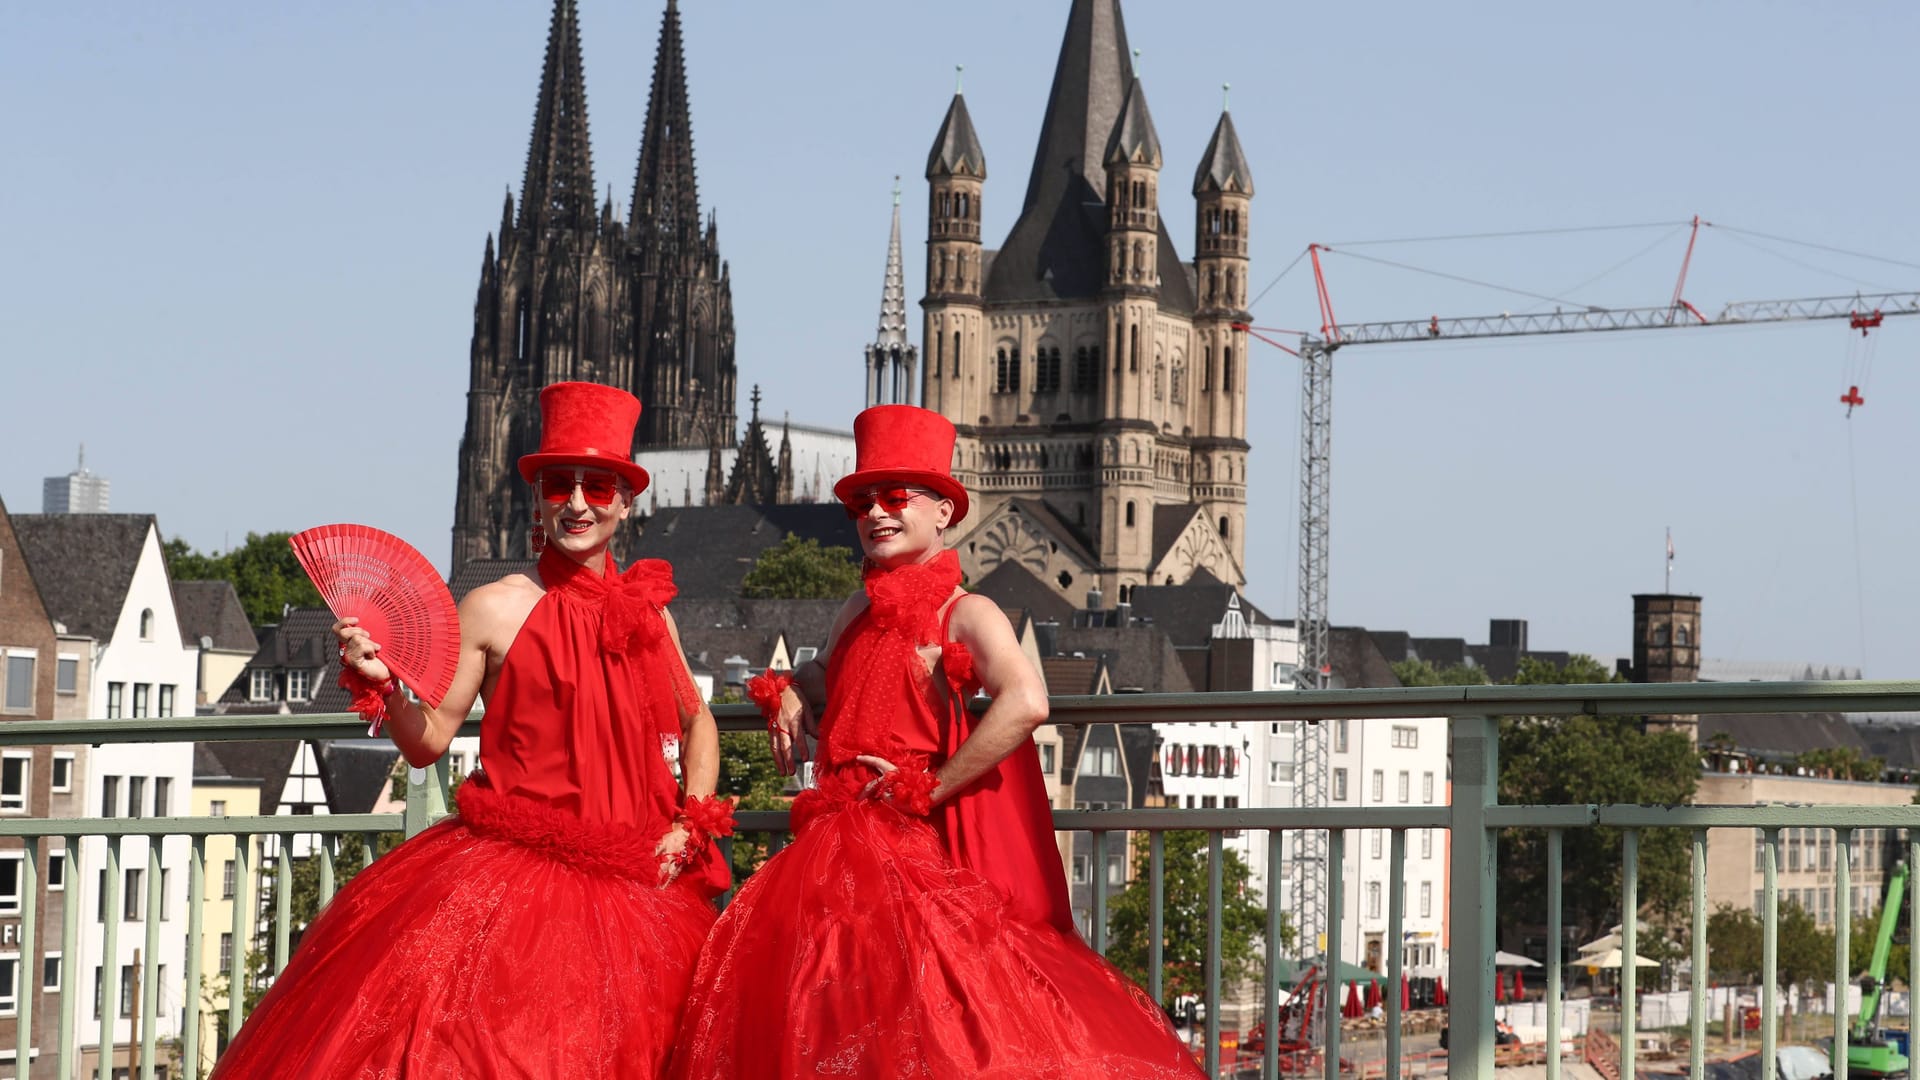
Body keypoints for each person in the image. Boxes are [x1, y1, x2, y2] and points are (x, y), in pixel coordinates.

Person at [213, 382, 731, 1079]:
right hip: (518, 884)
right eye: (558, 484)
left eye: (597, 486)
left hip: (641, 878)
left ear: (626, 501)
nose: (577, 503)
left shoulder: (651, 613)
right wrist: (380, 683)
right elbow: (428, 740)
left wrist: (692, 821)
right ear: (538, 497)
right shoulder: (492, 607)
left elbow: (699, 721)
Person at [670, 405, 1202, 1079]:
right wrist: (797, 688)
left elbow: (1028, 700)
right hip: (834, 849)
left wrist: (932, 784)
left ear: (945, 512)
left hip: (915, 854)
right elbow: (826, 670)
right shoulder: (855, 608)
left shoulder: (966, 612)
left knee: (923, 1027)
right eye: (863, 502)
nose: (876, 514)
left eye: (896, 498)